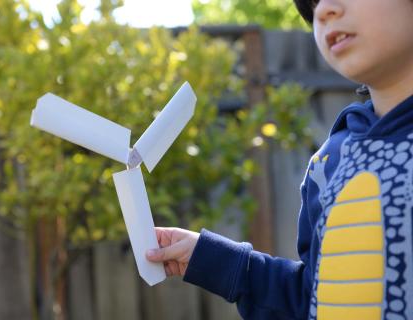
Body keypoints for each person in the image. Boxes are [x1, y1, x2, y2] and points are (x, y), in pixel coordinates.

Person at [146, 0, 413, 319]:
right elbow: (313, 298)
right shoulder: (328, 163)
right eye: (313, 3)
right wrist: (211, 258)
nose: (324, 10)